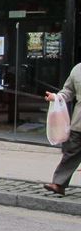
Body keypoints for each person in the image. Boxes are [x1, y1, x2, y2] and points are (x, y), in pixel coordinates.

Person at [44, 62, 81, 195]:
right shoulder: (77, 69)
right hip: (79, 122)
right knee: (71, 153)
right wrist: (56, 97)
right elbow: (68, 91)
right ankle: (59, 184)